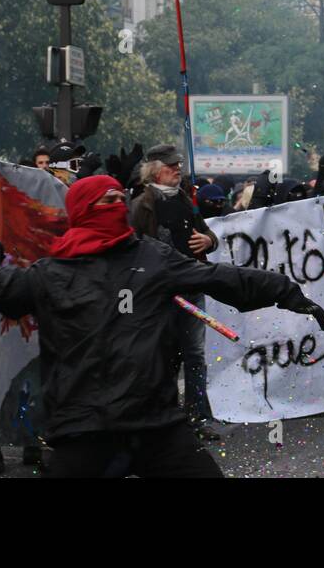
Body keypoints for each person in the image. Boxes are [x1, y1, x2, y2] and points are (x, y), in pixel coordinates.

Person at [0, 174, 324, 476]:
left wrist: (286, 291)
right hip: (86, 431)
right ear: (83, 210)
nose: (117, 205)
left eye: (120, 199)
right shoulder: (50, 274)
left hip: (155, 424)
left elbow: (220, 278)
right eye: (105, 201)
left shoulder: (153, 257)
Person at [129, 145, 219, 438]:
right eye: (170, 165)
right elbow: (132, 247)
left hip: (191, 287)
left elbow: (208, 233)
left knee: (194, 354)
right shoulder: (142, 204)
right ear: (154, 170)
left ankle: (198, 418)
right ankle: (165, 418)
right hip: (159, 295)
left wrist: (208, 241)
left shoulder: (185, 198)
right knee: (164, 356)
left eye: (178, 164)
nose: (177, 169)